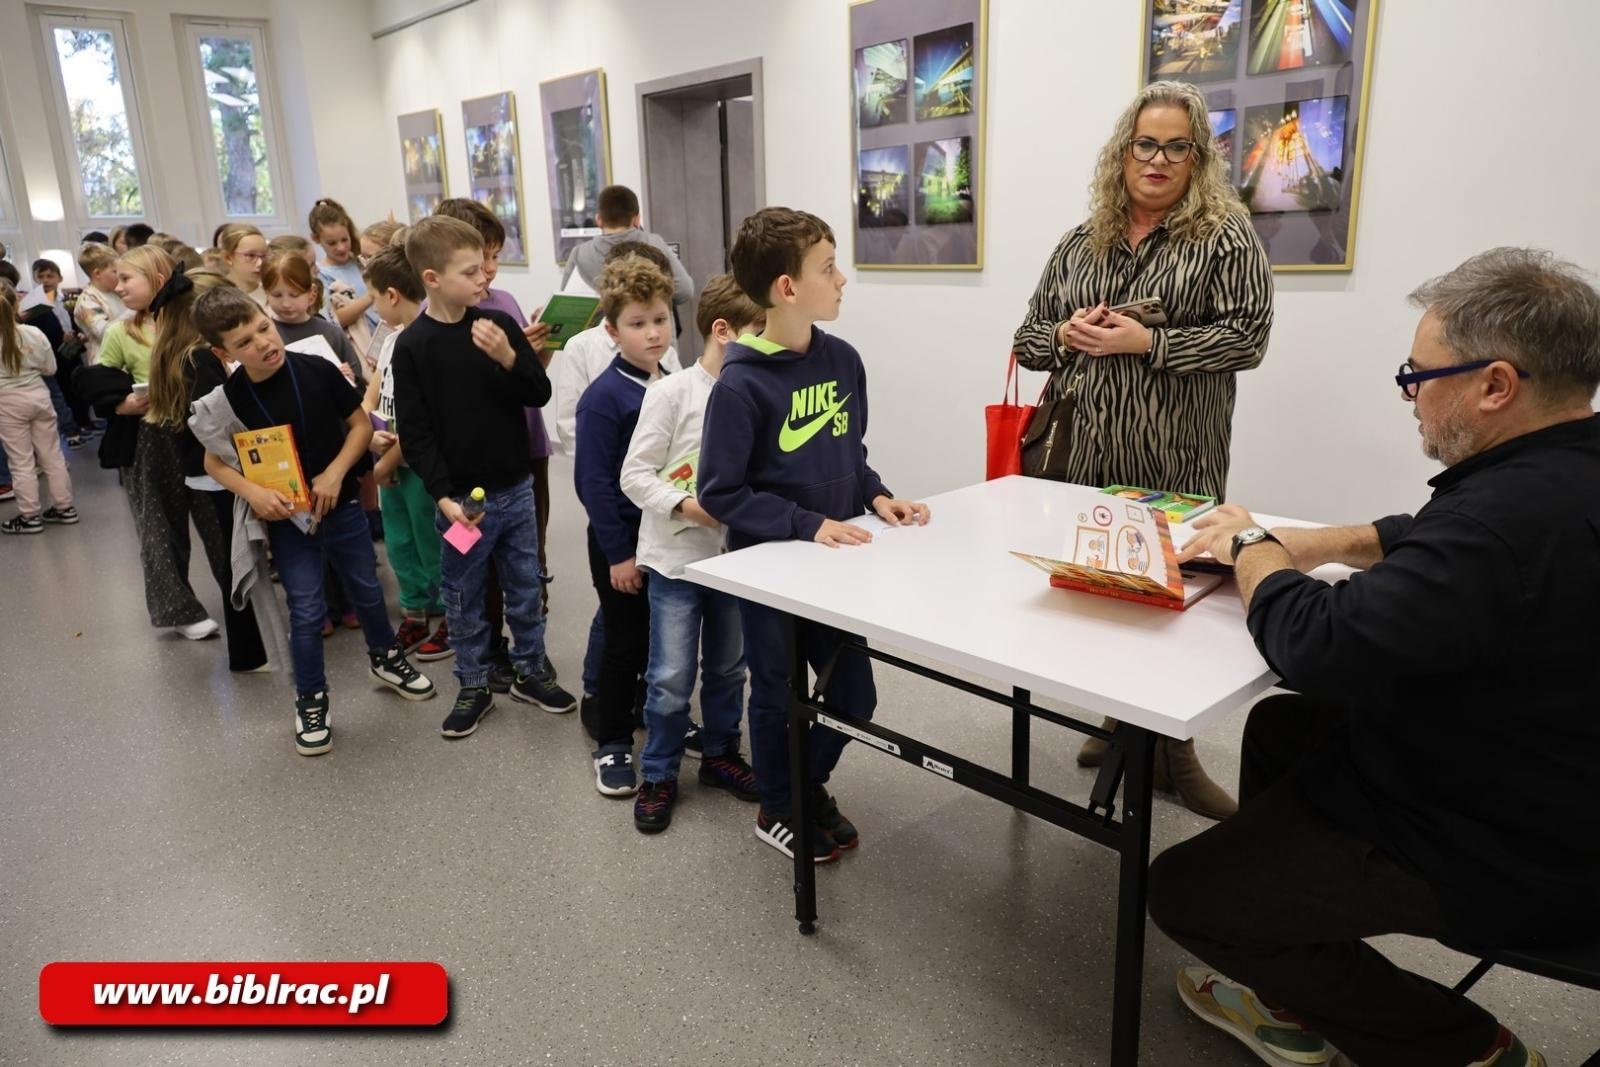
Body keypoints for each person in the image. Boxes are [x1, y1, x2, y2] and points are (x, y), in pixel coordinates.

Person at [1147, 248, 1600, 1067]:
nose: (1409, 395)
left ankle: (1475, 1050)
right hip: (1543, 776)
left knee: (1183, 890)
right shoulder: (1557, 471)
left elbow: (1315, 643)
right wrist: (1308, 539)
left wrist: (1252, 544)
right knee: (1282, 731)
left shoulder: (1504, 525)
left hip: (1504, 843)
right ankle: (1294, 968)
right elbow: (1423, 536)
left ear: (1496, 384)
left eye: (1419, 374)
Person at [1010, 79, 1273, 821]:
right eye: (1145, 144)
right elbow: (1027, 339)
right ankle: (1118, 722)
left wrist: (1148, 341)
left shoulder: (1225, 236)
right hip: (1083, 462)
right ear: (1123, 152)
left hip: (1174, 460)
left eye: (1175, 146)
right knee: (1099, 591)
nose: (1157, 160)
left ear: (1198, 158)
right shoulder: (1079, 243)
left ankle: (1173, 754)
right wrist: (1064, 334)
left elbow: (1247, 339)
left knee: (1171, 604)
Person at [699, 207, 930, 862]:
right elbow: (720, 493)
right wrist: (805, 523)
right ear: (787, 289)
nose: (843, 278)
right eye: (827, 268)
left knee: (855, 693)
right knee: (774, 692)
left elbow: (847, 454)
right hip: (770, 570)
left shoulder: (843, 360)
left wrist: (877, 494)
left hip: (834, 570)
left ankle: (804, 783)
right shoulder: (739, 388)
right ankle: (779, 803)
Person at [195, 286, 435, 755]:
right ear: (224, 353)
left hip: (342, 505)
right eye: (245, 342)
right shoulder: (228, 401)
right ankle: (310, 697)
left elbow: (361, 426)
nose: (263, 343)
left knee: (366, 588)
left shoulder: (317, 369)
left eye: (264, 328)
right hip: (290, 521)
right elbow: (213, 464)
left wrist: (335, 472)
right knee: (305, 609)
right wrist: (255, 492)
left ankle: (385, 658)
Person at [390, 215, 575, 738]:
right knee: (465, 593)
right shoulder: (415, 346)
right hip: (462, 503)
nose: (484, 279)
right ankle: (473, 680)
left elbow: (536, 393)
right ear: (432, 278)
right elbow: (417, 433)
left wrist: (509, 355)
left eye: (483, 268)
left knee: (524, 584)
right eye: (470, 271)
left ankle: (532, 667)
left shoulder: (498, 328)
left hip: (516, 486)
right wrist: (442, 496)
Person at [620, 273, 765, 830]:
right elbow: (634, 477)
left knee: (730, 667)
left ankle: (722, 755)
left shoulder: (756, 392)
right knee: (671, 675)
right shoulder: (671, 394)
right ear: (724, 332)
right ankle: (658, 772)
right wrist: (687, 507)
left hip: (733, 564)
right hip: (676, 564)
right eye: (760, 333)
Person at [573, 254, 676, 796]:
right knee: (624, 641)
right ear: (612, 331)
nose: (653, 333)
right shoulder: (604, 399)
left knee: (664, 641)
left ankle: (656, 714)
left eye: (660, 319)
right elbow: (592, 484)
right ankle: (612, 739)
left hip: (668, 538)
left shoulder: (673, 382)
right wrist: (618, 554)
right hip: (622, 544)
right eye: (638, 324)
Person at [143, 268, 267, 672]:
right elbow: (218, 418)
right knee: (234, 564)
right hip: (217, 475)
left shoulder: (173, 353)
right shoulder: (199, 358)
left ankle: (251, 647)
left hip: (201, 474)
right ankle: (250, 653)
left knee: (226, 561)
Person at [100, 246, 220, 641]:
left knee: (217, 516)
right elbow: (96, 379)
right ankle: (177, 607)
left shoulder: (194, 320)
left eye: (126, 279)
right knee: (158, 525)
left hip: (198, 430)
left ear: (156, 279)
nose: (118, 288)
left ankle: (241, 594)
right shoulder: (121, 331)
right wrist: (121, 402)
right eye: (116, 279)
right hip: (149, 437)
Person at [360, 244, 449, 661]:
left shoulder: (428, 341)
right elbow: (372, 394)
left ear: (392, 295)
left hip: (422, 459)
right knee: (399, 539)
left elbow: (427, 422)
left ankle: (452, 615)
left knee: (435, 540)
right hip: (389, 451)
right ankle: (415, 610)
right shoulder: (393, 338)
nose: (374, 307)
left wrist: (385, 465)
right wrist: (370, 439)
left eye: (375, 299)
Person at [0, 287, 76, 534]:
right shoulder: (34, 333)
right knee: (52, 454)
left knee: (21, 461)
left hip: (7, 401)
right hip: (39, 396)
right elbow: (50, 369)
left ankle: (29, 515)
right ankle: (64, 508)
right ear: (16, 306)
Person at [559, 184, 694, 321]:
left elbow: (566, 306)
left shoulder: (580, 253)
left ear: (599, 220)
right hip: (655, 336)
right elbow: (685, 291)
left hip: (603, 339)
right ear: (636, 218)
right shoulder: (654, 243)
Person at [261, 251, 365, 386]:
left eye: (294, 295)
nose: (286, 304)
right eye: (277, 295)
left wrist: (348, 378)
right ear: (266, 293)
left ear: (311, 295)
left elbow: (358, 383)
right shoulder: (262, 335)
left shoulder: (332, 333)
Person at [309, 197, 379, 335]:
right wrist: (372, 295)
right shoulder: (321, 275)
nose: (341, 248)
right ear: (316, 239)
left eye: (344, 240)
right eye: (332, 243)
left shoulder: (361, 262)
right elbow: (334, 320)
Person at [75, 243, 127, 366]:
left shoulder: (116, 292)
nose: (119, 276)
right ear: (97, 273)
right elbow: (104, 332)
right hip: (106, 363)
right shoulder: (86, 301)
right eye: (115, 272)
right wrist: (132, 312)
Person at [218, 223, 269, 310]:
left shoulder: (272, 295)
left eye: (264, 256)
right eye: (251, 256)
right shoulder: (216, 299)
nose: (260, 263)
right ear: (228, 257)